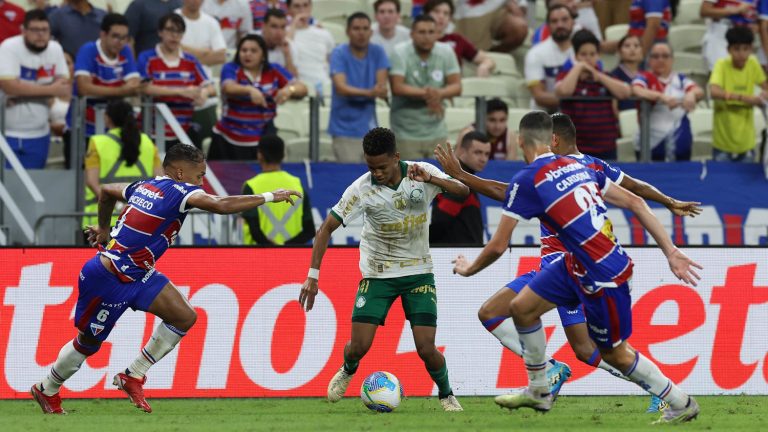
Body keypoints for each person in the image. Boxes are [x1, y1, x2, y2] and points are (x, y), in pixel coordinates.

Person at [435, 112, 702, 414]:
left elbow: (503, 211)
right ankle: (542, 382)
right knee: (507, 311)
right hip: (565, 266)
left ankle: (670, 396)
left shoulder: (551, 173)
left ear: (538, 140)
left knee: (597, 351)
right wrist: (668, 208)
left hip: (595, 270)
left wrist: (470, 266)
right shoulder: (585, 166)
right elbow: (636, 193)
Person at [30, 144, 301, 415]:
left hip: (139, 274)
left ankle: (133, 375)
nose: (201, 182)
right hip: (108, 277)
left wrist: (104, 228)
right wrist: (269, 197)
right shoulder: (181, 191)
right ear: (181, 173)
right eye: (199, 176)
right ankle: (47, 388)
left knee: (183, 316)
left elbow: (107, 190)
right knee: (88, 344)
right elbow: (220, 205)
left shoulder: (146, 186)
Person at [298, 127, 469, 412]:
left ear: (396, 157)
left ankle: (447, 394)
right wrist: (312, 276)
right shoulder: (361, 188)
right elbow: (325, 228)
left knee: (426, 348)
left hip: (418, 273)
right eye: (370, 167)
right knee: (358, 347)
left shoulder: (422, 173)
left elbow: (463, 192)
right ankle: (348, 369)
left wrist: (434, 179)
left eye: (381, 167)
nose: (376, 173)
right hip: (378, 274)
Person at [210, 34, 307, 160]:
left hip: (262, 139)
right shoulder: (231, 68)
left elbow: (303, 88)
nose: (247, 54)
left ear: (263, 55)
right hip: (228, 138)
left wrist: (289, 89)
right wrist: (249, 90)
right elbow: (228, 88)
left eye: (253, 51)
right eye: (244, 50)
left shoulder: (274, 70)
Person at [66, 13, 141, 168]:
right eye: (115, 36)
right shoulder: (88, 50)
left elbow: (134, 87)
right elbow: (83, 88)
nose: (120, 42)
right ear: (103, 34)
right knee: (80, 185)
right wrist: (121, 90)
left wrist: (100, 90)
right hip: (82, 130)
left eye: (124, 37)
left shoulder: (125, 51)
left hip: (112, 131)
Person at [0, 9, 70, 169]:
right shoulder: (9, 47)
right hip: (6, 133)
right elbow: (9, 87)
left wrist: (21, 89)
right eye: (35, 30)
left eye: (44, 30)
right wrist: (50, 89)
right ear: (23, 31)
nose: (40, 34)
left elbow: (64, 87)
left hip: (39, 134)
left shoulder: (55, 49)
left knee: (34, 186)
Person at [138, 13, 216, 150]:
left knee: (184, 171)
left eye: (179, 31)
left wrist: (203, 93)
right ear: (160, 32)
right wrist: (181, 92)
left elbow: (211, 87)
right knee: (158, 172)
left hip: (184, 132)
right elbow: (144, 88)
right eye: (170, 30)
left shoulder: (190, 60)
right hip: (153, 132)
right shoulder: (147, 58)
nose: (175, 35)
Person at [83, 99, 164, 230]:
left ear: (107, 118)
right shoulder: (147, 142)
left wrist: (114, 205)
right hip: (140, 218)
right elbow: (160, 180)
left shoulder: (97, 142)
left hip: (103, 221)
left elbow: (92, 182)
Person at [390, 15, 461, 159]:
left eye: (431, 32)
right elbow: (397, 87)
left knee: (439, 179)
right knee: (408, 179)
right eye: (422, 32)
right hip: (405, 132)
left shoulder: (446, 51)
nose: (427, 37)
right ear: (412, 34)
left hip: (437, 130)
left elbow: (457, 87)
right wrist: (431, 94)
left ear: (437, 34)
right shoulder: (399, 52)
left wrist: (439, 93)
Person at [555, 29, 631, 161]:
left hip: (606, 148)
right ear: (576, 56)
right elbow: (564, 91)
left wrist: (599, 76)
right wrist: (579, 67)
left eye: (592, 54)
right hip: (574, 149)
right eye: (583, 54)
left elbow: (625, 92)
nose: (588, 58)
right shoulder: (566, 76)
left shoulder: (605, 77)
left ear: (598, 55)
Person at [329, 12, 390, 163]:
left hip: (371, 129)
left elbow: (381, 89)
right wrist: (370, 92)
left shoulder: (378, 51)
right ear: (348, 31)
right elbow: (341, 88)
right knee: (349, 181)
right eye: (356, 28)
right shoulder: (339, 53)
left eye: (365, 28)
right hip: (344, 130)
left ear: (371, 31)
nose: (361, 33)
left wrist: (375, 91)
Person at [632, 42, 705, 161]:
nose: (660, 60)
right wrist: (662, 97)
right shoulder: (644, 77)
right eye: (656, 56)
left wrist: (691, 94)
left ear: (672, 59)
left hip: (679, 141)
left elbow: (699, 91)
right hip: (650, 143)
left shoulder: (680, 79)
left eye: (665, 56)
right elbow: (636, 90)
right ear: (649, 60)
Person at [709, 26, 768, 162]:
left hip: (747, 144)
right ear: (728, 49)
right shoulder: (721, 65)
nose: (741, 54)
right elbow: (714, 91)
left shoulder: (753, 63)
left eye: (745, 49)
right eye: (736, 49)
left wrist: (762, 96)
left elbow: (766, 88)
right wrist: (745, 98)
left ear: (751, 49)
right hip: (722, 144)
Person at [241, 135, 314, 245]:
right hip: (291, 258)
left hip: (258, 257)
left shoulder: (251, 186)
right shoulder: (297, 184)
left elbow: (254, 230)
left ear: (260, 155)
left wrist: (273, 249)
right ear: (283, 155)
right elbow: (310, 231)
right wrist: (285, 248)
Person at [177, 0, 227, 148]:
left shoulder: (211, 22)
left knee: (205, 152)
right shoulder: (173, 18)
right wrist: (204, 53)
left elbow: (221, 56)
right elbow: (171, 49)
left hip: (205, 96)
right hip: (177, 97)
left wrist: (185, 51)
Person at [429, 131, 490, 246]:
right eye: (478, 152)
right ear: (462, 150)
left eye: (487, 154)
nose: (483, 159)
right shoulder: (459, 181)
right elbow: (441, 220)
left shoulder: (466, 178)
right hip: (456, 256)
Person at [524, 4, 576, 111]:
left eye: (565, 19)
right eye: (554, 21)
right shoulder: (535, 53)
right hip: (544, 119)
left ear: (573, 22)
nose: (560, 25)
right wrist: (578, 100)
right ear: (547, 25)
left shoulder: (584, 52)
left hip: (579, 116)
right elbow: (539, 96)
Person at [424, 0, 495, 77]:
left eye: (446, 13)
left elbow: (487, 60)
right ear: (426, 15)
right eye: (436, 11)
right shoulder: (416, 41)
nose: (441, 17)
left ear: (450, 19)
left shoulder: (457, 40)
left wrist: (484, 66)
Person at [700, 0, 761, 71]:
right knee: (718, 74)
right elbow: (704, 11)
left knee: (742, 76)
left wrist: (756, 25)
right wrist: (735, 10)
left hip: (744, 36)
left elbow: (759, 17)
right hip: (720, 35)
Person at [286, 0, 335, 89]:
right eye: (297, 6)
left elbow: (332, 61)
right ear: (289, 9)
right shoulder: (284, 33)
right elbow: (286, 45)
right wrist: (294, 23)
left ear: (311, 7)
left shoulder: (324, 33)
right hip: (298, 87)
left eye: (305, 5)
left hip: (324, 84)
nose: (302, 10)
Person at [451, 0, 529, 52]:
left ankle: (496, 55)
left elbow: (521, 6)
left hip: (498, 10)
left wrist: (519, 7)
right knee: (471, 50)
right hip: (466, 13)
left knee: (520, 28)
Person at [260, 8, 298, 77]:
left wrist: (287, 55)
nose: (279, 33)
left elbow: (293, 79)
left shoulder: (289, 45)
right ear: (263, 27)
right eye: (274, 27)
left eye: (283, 27)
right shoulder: (252, 42)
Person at [611, 34, 644, 111]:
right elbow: (613, 106)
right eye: (627, 46)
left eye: (636, 46)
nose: (632, 49)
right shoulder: (614, 75)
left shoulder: (646, 74)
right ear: (619, 51)